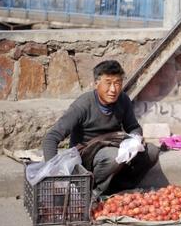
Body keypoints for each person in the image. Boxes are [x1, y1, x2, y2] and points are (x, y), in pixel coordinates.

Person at [42, 60, 159, 199]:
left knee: (151, 151)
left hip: (114, 147)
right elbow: (50, 138)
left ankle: (117, 189)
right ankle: (91, 193)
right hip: (86, 156)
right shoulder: (83, 105)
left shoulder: (123, 100)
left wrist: (135, 139)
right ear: (96, 83)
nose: (113, 89)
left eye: (117, 83)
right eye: (108, 83)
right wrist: (54, 173)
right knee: (113, 156)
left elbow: (133, 127)